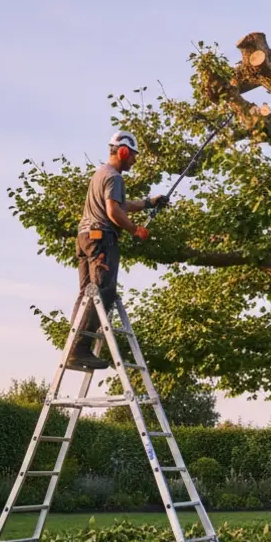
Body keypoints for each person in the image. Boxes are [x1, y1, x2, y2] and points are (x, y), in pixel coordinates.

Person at [68, 130, 166, 369]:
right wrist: (135, 230)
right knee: (103, 292)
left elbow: (120, 205)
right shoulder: (114, 177)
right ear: (123, 151)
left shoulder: (101, 174)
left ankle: (74, 346)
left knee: (86, 294)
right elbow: (113, 213)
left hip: (85, 238)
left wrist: (148, 203)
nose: (135, 160)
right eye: (133, 155)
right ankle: (80, 349)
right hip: (101, 239)